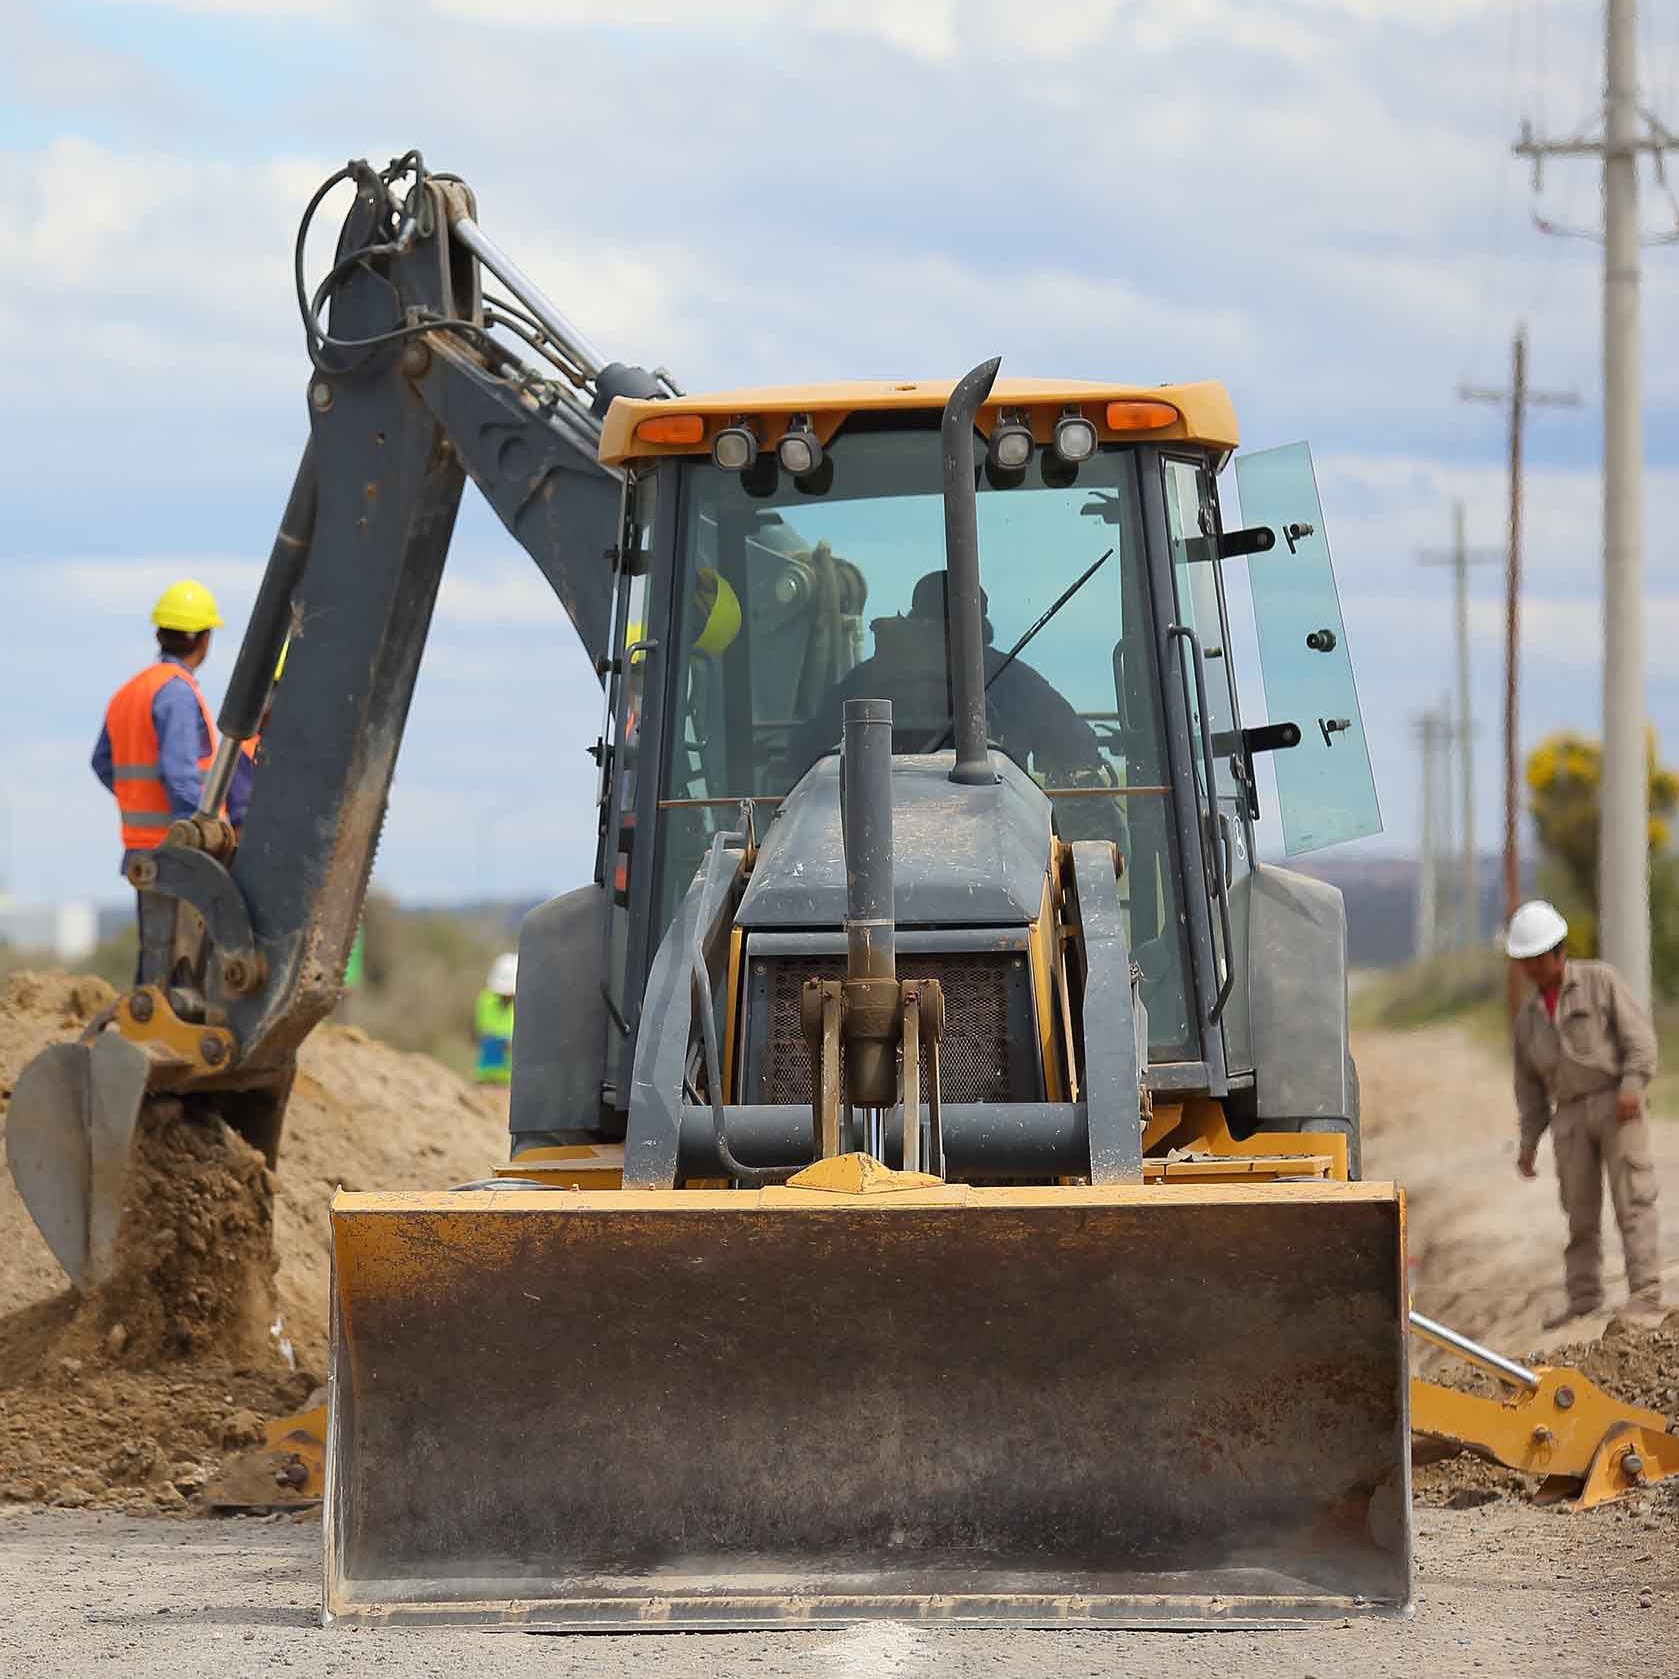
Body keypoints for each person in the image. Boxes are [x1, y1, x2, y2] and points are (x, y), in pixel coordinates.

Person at [781, 571, 1108, 790]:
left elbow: (802, 754)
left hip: (867, 845)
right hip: (990, 841)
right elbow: (1075, 746)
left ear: (914, 615)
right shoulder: (1010, 677)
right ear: (978, 621)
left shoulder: (862, 681)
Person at [1507, 898, 1663, 1327]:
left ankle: (1647, 1295)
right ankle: (1584, 1299)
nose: (1532, 970)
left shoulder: (1601, 982)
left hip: (1617, 1106)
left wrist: (1632, 1084)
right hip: (1570, 1117)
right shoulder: (1528, 1019)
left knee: (1633, 1199)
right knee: (1579, 1212)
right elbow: (1529, 1090)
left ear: (1558, 952)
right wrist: (1528, 1142)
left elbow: (1640, 1040)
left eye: (1538, 960)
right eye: (1526, 962)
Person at [92, 582, 253, 958]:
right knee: (188, 963)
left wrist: (140, 799)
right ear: (204, 640)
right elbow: (179, 775)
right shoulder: (177, 693)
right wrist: (199, 830)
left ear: (160, 633)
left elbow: (102, 763)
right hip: (180, 851)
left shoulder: (131, 691)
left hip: (141, 848)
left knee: (156, 958)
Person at [474, 952, 518, 1111]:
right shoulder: (485, 1000)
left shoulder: (525, 1007)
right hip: (484, 1079)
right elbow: (476, 1034)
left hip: (510, 1085)